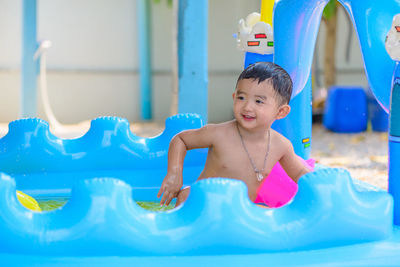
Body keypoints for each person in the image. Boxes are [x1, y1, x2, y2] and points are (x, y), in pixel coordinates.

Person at [158, 62, 311, 207]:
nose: (247, 106)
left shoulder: (281, 145)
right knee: (186, 195)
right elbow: (181, 139)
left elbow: (301, 173)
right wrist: (174, 174)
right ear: (234, 97)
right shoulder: (218, 133)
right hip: (205, 205)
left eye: (258, 101)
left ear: (280, 112)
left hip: (239, 213)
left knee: (266, 211)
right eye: (241, 97)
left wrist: (323, 187)